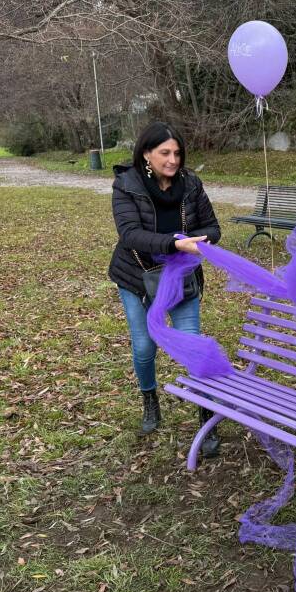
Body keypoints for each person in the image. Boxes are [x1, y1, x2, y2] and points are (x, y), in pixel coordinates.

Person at [108, 121, 223, 449]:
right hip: (138, 278)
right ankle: (150, 400)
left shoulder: (190, 184)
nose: (173, 160)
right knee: (144, 347)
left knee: (192, 347)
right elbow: (130, 234)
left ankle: (206, 415)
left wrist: (200, 239)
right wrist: (176, 244)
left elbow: (212, 227)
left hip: (183, 279)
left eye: (177, 153)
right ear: (147, 153)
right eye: (165, 153)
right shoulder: (127, 185)